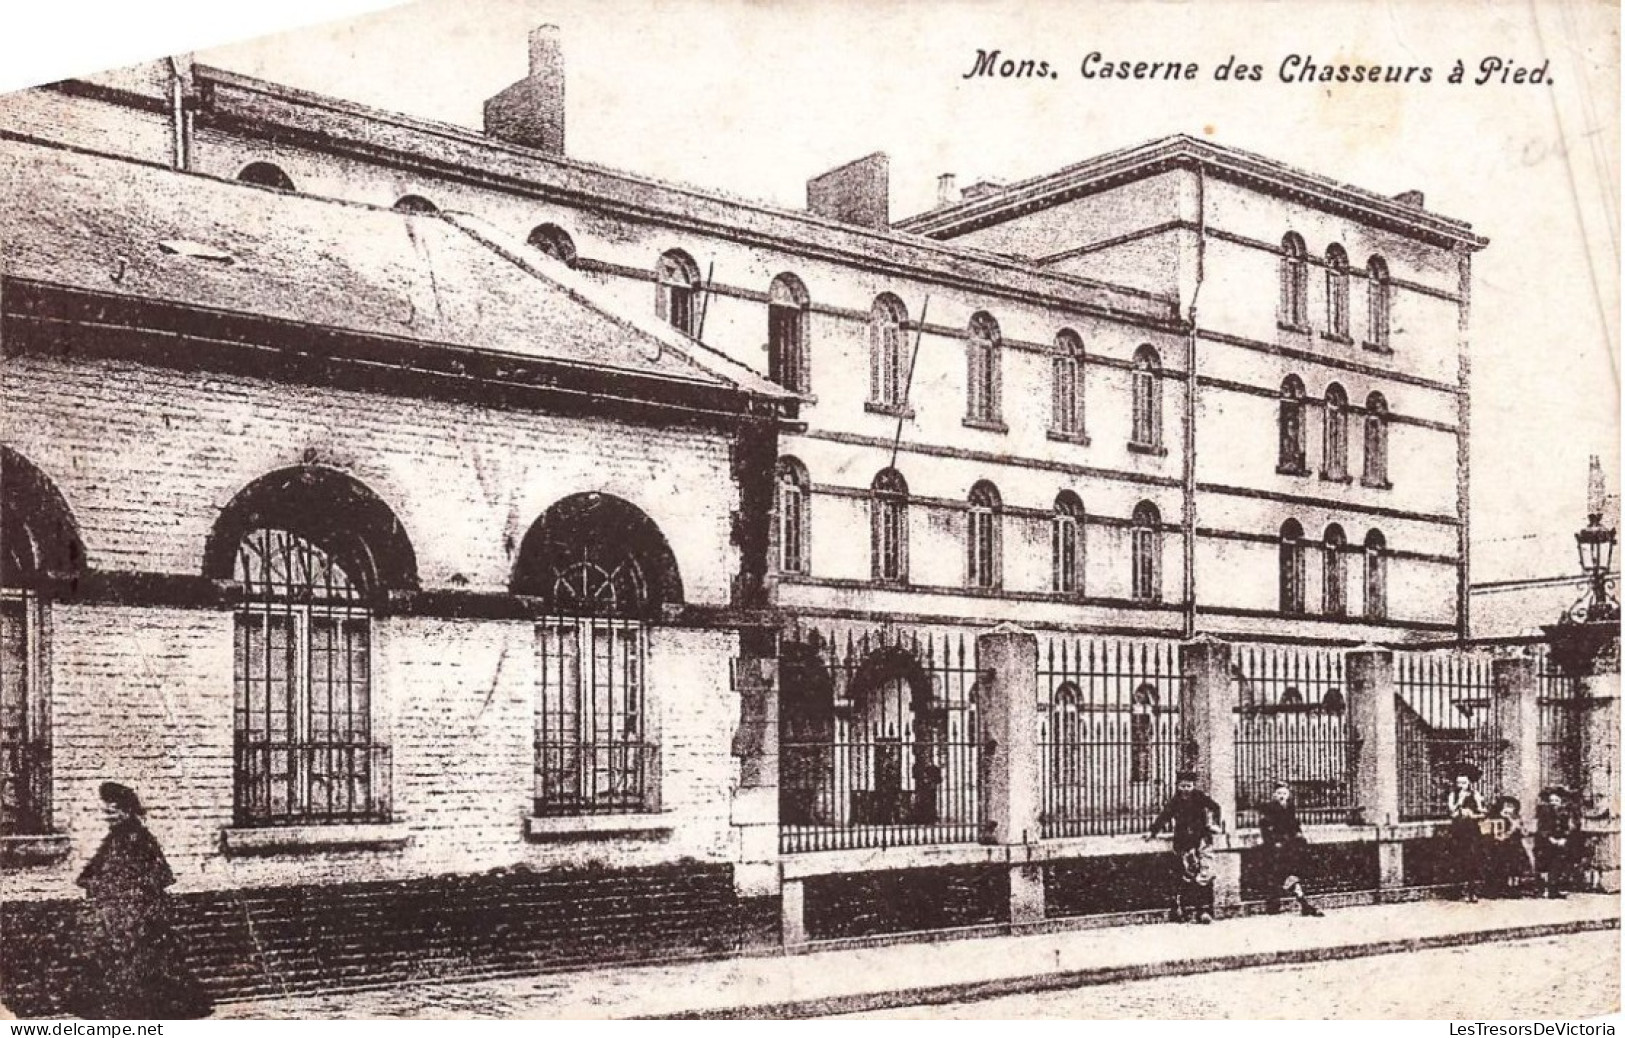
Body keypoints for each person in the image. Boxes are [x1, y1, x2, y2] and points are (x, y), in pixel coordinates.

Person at [70, 783, 213, 1020]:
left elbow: (158, 875)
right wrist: (95, 884)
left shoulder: (140, 838)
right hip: (120, 913)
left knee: (144, 959)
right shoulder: (114, 838)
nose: (108, 815)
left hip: (140, 913)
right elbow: (96, 869)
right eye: (106, 811)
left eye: (113, 811)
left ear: (127, 811)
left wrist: (133, 896)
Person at [1146, 771, 1223, 924]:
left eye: (1189, 786)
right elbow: (1164, 816)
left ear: (1193, 786)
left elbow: (1216, 807)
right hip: (1183, 843)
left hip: (1201, 840)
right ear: (1178, 786)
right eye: (1183, 786)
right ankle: (1185, 911)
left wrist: (1214, 824)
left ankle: (1203, 911)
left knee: (1204, 874)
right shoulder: (1175, 801)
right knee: (1187, 875)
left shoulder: (1200, 797)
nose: (1186, 789)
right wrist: (1153, 831)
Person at [1257, 782, 1324, 917]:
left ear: (1288, 795)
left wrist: (1299, 834)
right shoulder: (1270, 808)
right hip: (1275, 846)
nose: (1282, 796)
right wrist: (1273, 841)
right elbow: (1265, 826)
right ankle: (1286, 904)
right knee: (1279, 875)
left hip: (1288, 847)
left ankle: (1302, 904)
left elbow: (1294, 824)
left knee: (1287, 875)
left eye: (1285, 794)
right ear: (1274, 795)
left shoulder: (1290, 807)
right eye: (1279, 794)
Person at [1445, 771, 1488, 903]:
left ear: (1469, 782)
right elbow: (1451, 811)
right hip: (1458, 831)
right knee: (1459, 859)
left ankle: (1473, 891)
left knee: (1473, 859)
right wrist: (1460, 802)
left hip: (1472, 831)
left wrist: (1473, 814)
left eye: (1463, 782)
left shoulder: (1475, 794)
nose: (1461, 785)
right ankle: (1459, 891)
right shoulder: (1453, 794)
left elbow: (1483, 812)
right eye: (1458, 782)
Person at [1482, 795, 1535, 898]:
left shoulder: (1516, 818)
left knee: (1515, 867)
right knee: (1498, 867)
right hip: (1499, 847)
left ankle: (1514, 888)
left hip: (1514, 846)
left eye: (1511, 806)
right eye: (1506, 806)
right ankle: (1497, 888)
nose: (1509, 809)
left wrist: (1518, 826)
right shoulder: (1496, 817)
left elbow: (1523, 833)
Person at [1534, 787, 1580, 899]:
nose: (1554, 803)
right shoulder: (1544, 813)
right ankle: (1543, 890)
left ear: (1561, 801)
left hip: (1561, 843)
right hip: (1546, 843)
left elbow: (1571, 827)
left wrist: (1564, 838)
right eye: (1551, 801)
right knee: (1545, 865)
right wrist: (1551, 838)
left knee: (1558, 865)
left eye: (1556, 801)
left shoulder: (1566, 813)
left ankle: (1554, 890)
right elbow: (1542, 828)